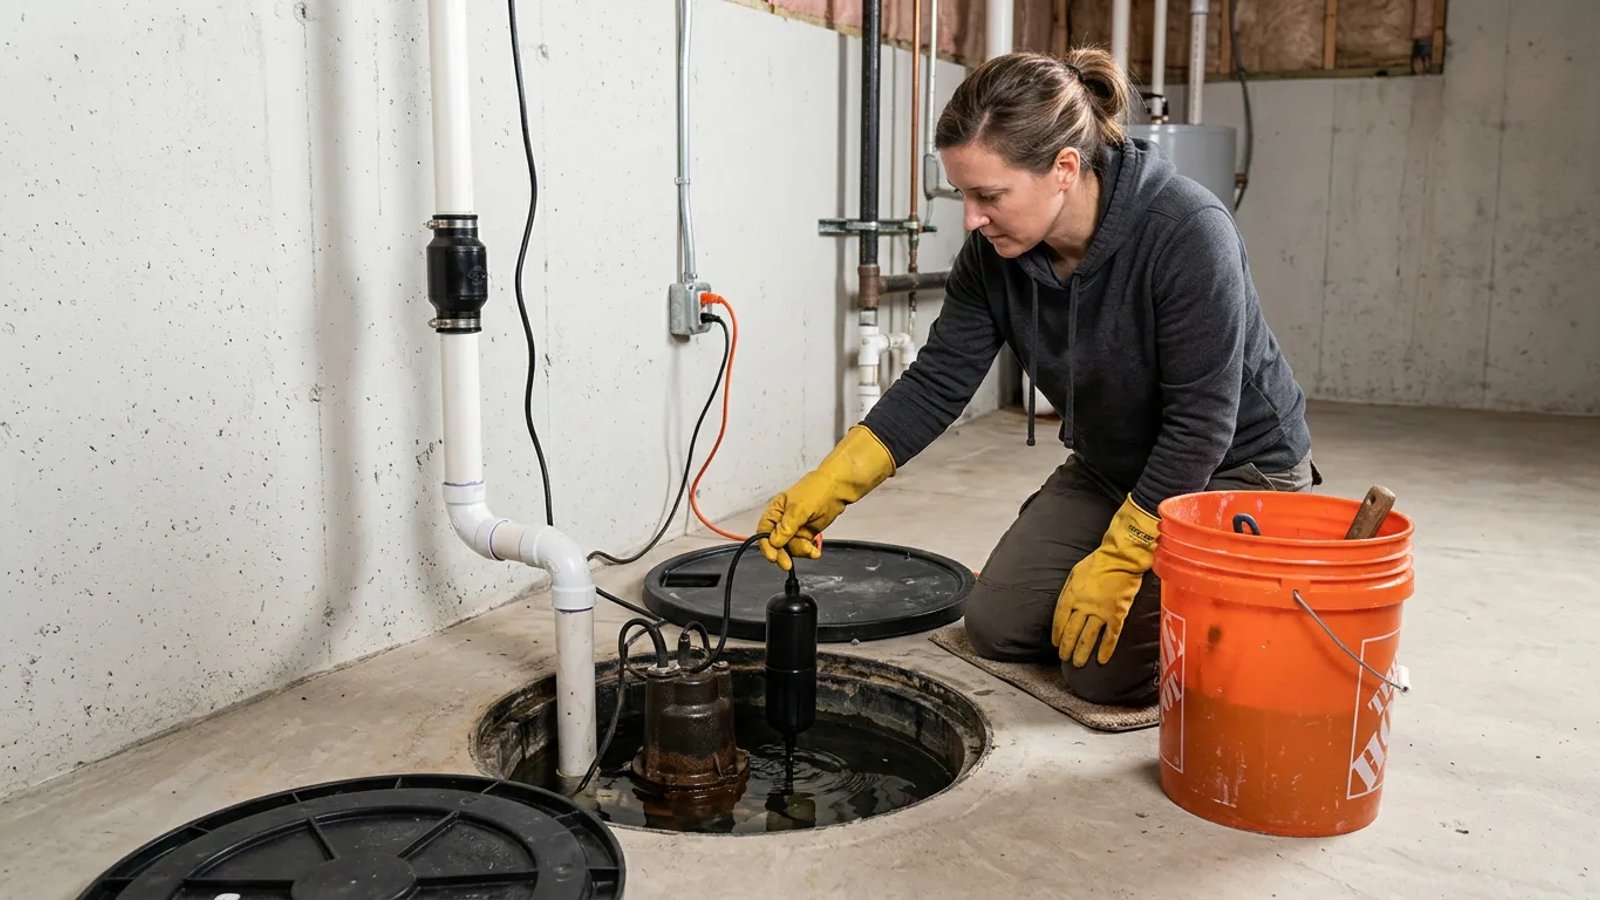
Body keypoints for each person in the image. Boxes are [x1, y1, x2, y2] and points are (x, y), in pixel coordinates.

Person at [755, 47, 1318, 709]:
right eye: (963, 193)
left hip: (1233, 471)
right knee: (998, 625)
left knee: (1103, 676)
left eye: (988, 195)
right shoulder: (993, 254)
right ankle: (1148, 587)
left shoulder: (1186, 233)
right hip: (1116, 466)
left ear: (1064, 169)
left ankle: (1258, 596)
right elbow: (938, 381)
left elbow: (1202, 423)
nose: (970, 218)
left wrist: (1123, 554)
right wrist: (832, 482)